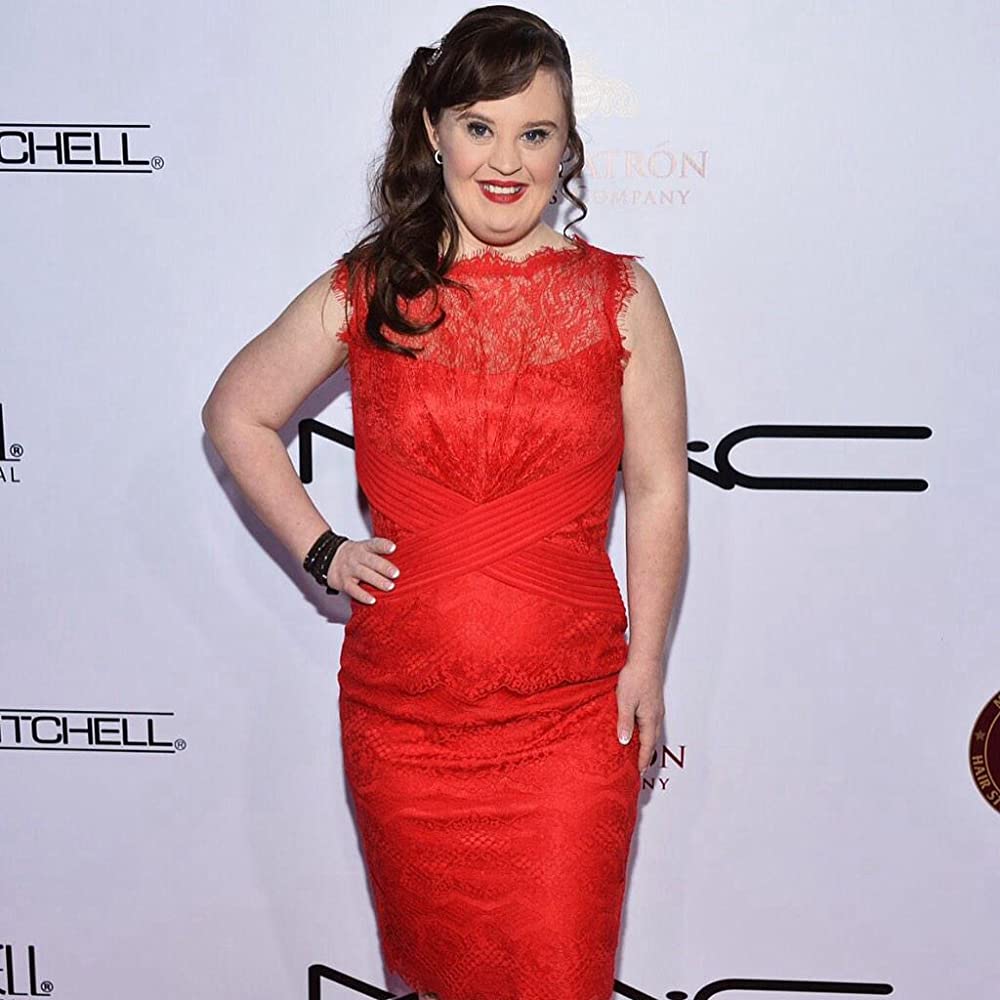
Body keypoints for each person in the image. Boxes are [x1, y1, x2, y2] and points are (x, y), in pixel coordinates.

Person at [202, 5, 687, 999]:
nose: (506, 161)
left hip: (570, 717)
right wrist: (324, 549)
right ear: (433, 130)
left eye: (535, 133)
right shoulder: (371, 287)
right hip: (406, 728)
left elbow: (656, 489)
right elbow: (237, 413)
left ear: (567, 147)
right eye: (479, 126)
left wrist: (647, 661)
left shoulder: (620, 297)